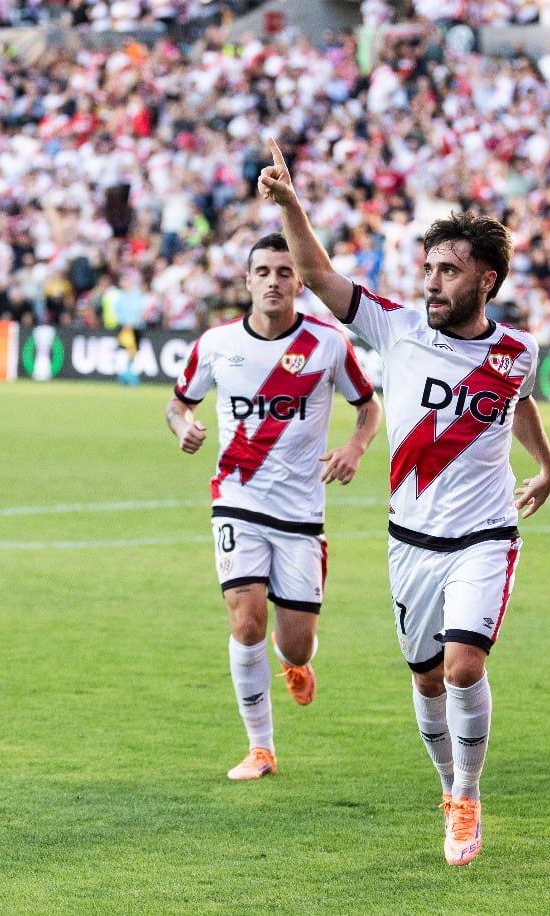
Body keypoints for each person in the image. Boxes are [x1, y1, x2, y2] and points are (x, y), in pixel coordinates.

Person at [259, 138, 550, 867]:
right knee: (425, 678)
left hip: (485, 537)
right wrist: (292, 204)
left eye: (448, 270)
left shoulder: (517, 351)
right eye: (427, 267)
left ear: (485, 280)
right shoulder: (395, 327)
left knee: (462, 667)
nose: (431, 281)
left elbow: (515, 405)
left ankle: (467, 797)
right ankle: (447, 783)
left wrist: (545, 465)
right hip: (410, 541)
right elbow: (317, 274)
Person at [165, 233, 383, 783]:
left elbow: (368, 405)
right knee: (245, 622)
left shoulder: (327, 343)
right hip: (235, 501)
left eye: (285, 272)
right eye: (262, 271)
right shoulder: (216, 344)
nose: (273, 281)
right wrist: (183, 427)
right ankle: (260, 748)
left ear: (298, 281)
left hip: (301, 514)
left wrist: (355, 447)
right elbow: (178, 402)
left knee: (294, 639)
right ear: (247, 280)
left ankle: (297, 663)